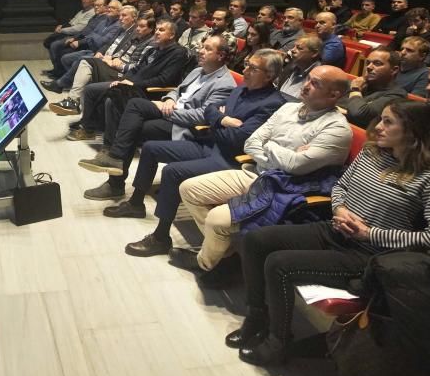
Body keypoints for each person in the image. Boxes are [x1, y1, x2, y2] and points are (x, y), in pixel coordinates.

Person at [231, 100, 430, 367]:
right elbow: (340, 187)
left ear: (414, 131)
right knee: (256, 239)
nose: (378, 127)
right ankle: (257, 316)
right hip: (335, 230)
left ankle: (278, 341)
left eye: (388, 122)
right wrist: (340, 209)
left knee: (279, 265)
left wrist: (370, 234)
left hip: (370, 254)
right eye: (380, 119)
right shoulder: (371, 153)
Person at [173, 65, 354, 286]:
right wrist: (279, 151)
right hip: (257, 174)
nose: (306, 85)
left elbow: (295, 167)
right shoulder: (288, 109)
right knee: (189, 189)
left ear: (334, 95)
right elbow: (250, 144)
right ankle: (229, 256)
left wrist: (268, 146)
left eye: (315, 83)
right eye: (308, 78)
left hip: (285, 189)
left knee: (216, 220)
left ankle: (207, 263)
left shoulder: (336, 129)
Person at [109, 50, 285, 257]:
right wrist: (221, 120)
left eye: (253, 68)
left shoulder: (272, 104)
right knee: (151, 148)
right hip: (209, 144)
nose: (245, 70)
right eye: (246, 64)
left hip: (230, 159)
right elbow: (210, 110)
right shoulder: (241, 91)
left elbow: (238, 140)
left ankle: (160, 238)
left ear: (269, 75)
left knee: (173, 172)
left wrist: (217, 119)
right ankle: (135, 203)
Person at [77, 36, 238, 198]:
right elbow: (177, 90)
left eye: (208, 49)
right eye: (202, 46)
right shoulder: (198, 71)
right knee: (122, 104)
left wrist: (165, 111)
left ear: (221, 56)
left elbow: (203, 116)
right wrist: (169, 99)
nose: (201, 51)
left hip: (185, 126)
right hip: (171, 111)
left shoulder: (225, 84)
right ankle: (115, 163)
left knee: (134, 120)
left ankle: (115, 172)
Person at [342, 47, 407, 127]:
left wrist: (355, 90)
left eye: (377, 63)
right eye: (368, 63)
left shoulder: (397, 95)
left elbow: (358, 114)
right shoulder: (360, 83)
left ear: (394, 70)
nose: (369, 67)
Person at [276, 35, 321, 100]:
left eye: (299, 48)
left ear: (314, 53)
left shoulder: (319, 77)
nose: (292, 50)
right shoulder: (290, 66)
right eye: (294, 47)